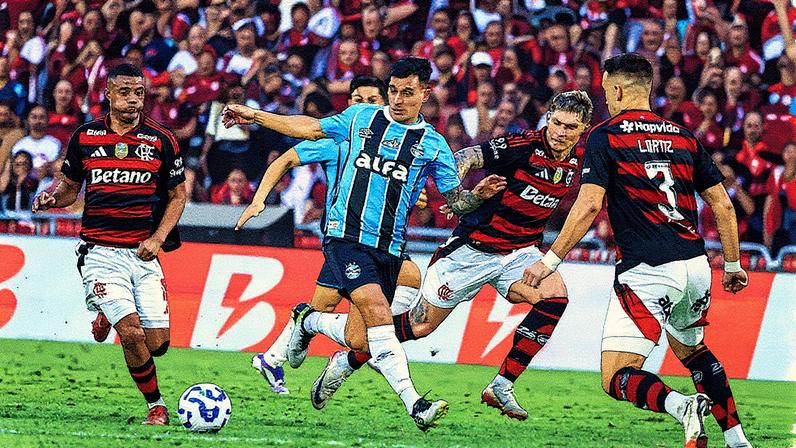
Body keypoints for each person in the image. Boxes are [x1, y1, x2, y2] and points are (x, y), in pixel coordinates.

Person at [223, 57, 506, 431]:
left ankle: (308, 322)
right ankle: (415, 404)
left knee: (361, 340)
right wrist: (255, 116)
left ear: (425, 93)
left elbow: (454, 203)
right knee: (377, 313)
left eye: (408, 92)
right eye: (393, 91)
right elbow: (308, 129)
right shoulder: (360, 119)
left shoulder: (433, 145)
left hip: (389, 247)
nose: (398, 99)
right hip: (346, 238)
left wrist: (477, 196)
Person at [303, 91, 593, 421]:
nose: (560, 132)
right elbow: (469, 154)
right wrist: (457, 188)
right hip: (471, 252)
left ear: (583, 128)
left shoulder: (580, 157)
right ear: (549, 117)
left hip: (519, 253)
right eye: (556, 123)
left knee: (555, 297)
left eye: (570, 127)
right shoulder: (523, 146)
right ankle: (341, 353)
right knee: (419, 326)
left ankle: (501, 384)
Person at [523, 53, 752, 448]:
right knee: (693, 351)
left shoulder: (605, 135)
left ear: (615, 88)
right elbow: (723, 205)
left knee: (616, 376)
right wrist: (732, 264)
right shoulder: (683, 135)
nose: (605, 100)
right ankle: (737, 440)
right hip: (696, 265)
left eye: (605, 91)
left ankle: (682, 407)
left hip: (647, 269)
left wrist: (549, 260)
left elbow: (589, 205)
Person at [241, 76, 428, 396]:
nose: (363, 105)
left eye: (371, 100)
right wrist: (259, 198)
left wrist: (413, 195)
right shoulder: (337, 140)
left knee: (321, 306)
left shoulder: (399, 143)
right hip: (346, 237)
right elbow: (285, 158)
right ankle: (375, 344)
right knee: (406, 276)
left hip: (378, 240)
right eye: (357, 99)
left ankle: (274, 357)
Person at [32, 63, 187, 426]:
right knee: (131, 334)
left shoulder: (162, 140)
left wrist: (158, 238)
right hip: (100, 252)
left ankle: (106, 313)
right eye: (125, 92)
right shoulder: (85, 137)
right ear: (108, 93)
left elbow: (178, 195)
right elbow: (70, 190)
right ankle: (156, 406)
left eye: (139, 93)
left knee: (157, 344)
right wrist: (52, 199)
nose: (133, 99)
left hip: (142, 251)